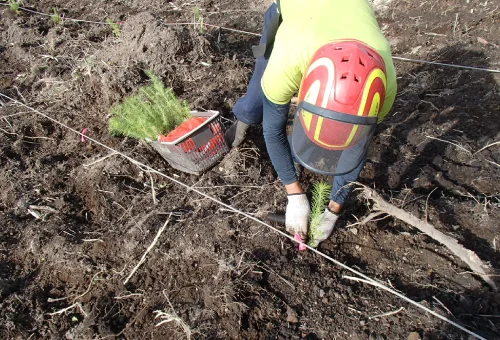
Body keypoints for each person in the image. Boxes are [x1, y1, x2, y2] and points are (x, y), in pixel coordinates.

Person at [227, 0, 397, 247]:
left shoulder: (384, 86)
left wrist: (333, 211)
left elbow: (356, 148)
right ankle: (244, 117)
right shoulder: (288, 58)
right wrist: (294, 195)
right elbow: (273, 130)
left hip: (348, 16)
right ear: (303, 91)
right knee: (258, 96)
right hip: (292, 13)